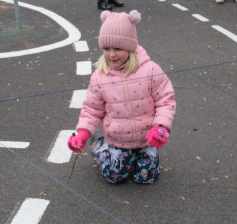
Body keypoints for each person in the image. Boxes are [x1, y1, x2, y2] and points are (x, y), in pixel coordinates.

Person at [67, 10, 176, 184]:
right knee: (114, 177)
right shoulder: (99, 76)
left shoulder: (151, 70)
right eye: (106, 48)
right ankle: (101, 147)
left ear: (130, 47)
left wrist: (161, 126)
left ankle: (140, 158)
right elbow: (92, 110)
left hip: (147, 139)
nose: (111, 54)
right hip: (118, 139)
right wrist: (83, 132)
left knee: (145, 178)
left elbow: (166, 100)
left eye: (118, 48)